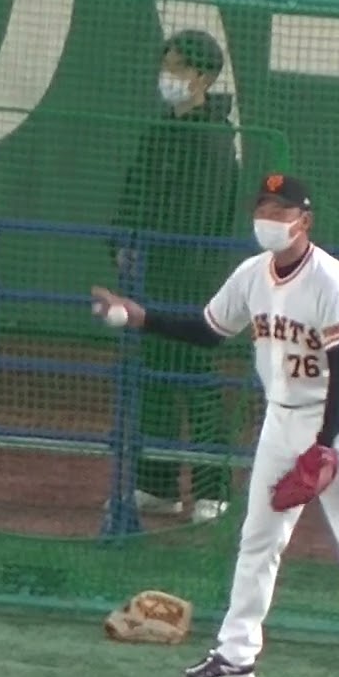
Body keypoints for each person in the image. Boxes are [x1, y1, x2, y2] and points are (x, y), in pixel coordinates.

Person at [92, 174, 339, 677]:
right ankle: (236, 653)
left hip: (337, 420)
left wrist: (325, 445)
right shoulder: (251, 275)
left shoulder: (331, 279)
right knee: (258, 539)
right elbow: (208, 331)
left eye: (280, 210)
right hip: (280, 419)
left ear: (304, 221)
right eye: (263, 207)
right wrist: (139, 317)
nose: (269, 218)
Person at [111, 29, 240, 524]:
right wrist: (122, 243)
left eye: (178, 68)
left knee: (196, 380)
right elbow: (132, 194)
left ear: (202, 77)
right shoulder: (159, 131)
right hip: (150, 279)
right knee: (154, 381)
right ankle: (157, 485)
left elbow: (197, 215)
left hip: (193, 282)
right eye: (165, 66)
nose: (168, 77)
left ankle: (213, 492)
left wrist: (154, 247)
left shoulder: (213, 140)